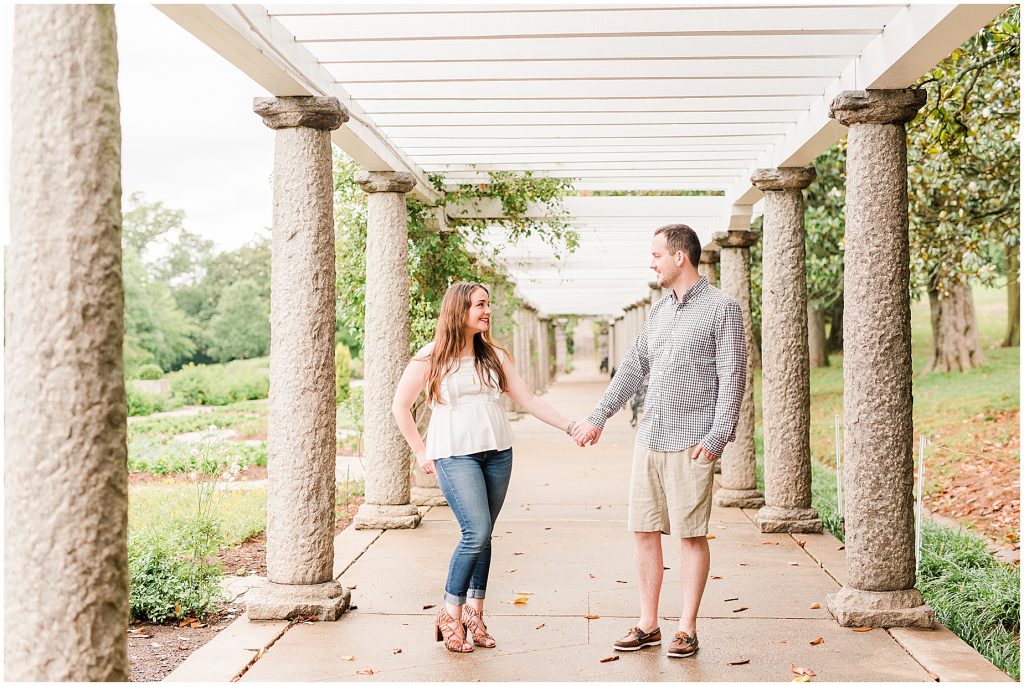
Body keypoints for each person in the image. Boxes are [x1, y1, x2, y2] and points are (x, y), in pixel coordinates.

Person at [572, 224, 746, 659]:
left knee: (690, 536)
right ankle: (648, 624)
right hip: (650, 437)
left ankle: (686, 627)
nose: (651, 263)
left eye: (656, 255)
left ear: (680, 257)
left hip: (693, 441)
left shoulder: (723, 308)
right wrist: (598, 418)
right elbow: (632, 368)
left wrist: (717, 437)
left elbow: (733, 377)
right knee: (644, 532)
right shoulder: (659, 311)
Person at [392, 281, 578, 653]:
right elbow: (400, 406)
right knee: (474, 532)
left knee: (485, 534)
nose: (487, 310)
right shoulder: (430, 358)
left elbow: (528, 399)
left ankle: (475, 614)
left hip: (497, 453)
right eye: (479, 305)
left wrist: (570, 426)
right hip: (454, 455)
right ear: (459, 311)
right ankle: (450, 613)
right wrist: (419, 450)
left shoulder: (494, 355)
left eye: (488, 304)